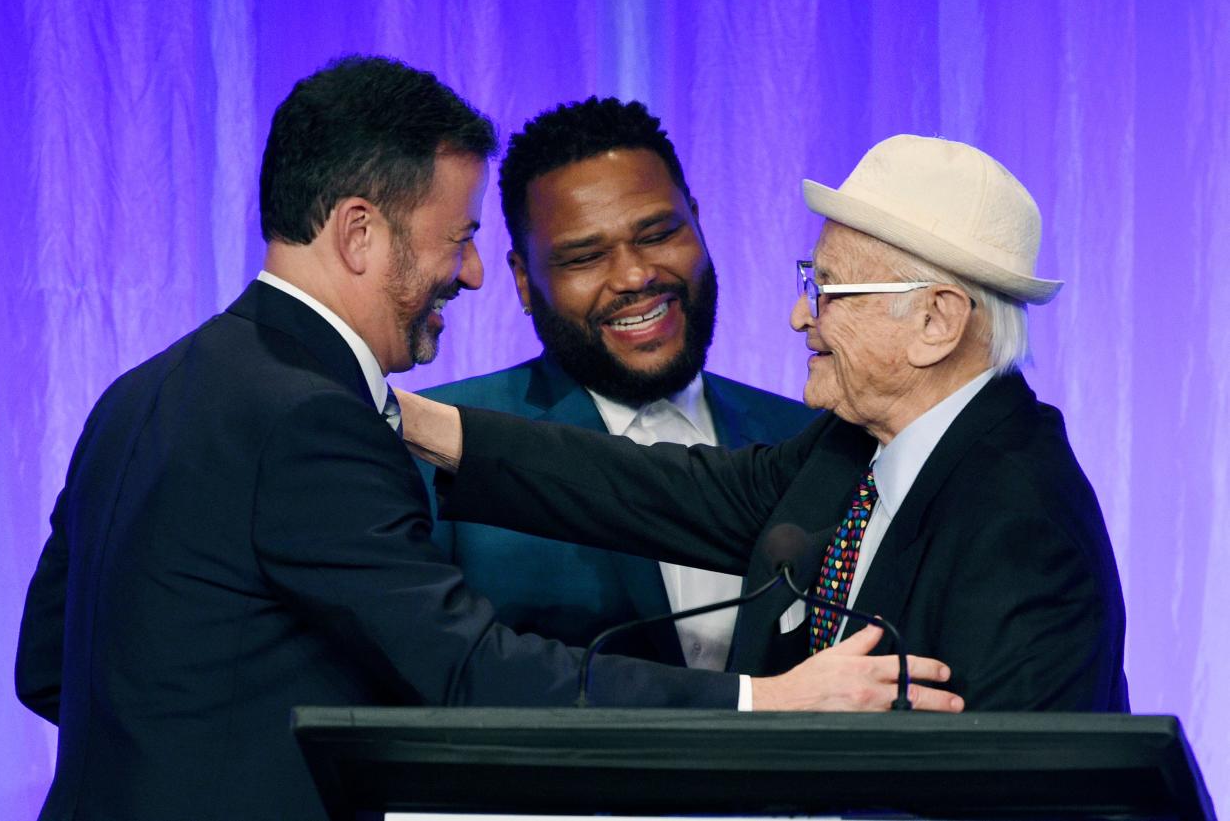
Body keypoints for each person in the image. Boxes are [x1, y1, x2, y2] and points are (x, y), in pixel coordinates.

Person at [15, 60, 961, 821]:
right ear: (358, 234)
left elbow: (51, 665)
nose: (467, 273)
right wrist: (768, 703)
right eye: (457, 236)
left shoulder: (140, 391)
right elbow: (467, 669)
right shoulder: (311, 415)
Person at [402, 134, 1130, 712]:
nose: (798, 315)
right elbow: (665, 490)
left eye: (829, 290)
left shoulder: (1020, 516)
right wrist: (409, 417)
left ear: (936, 321)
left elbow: (1009, 792)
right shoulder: (853, 450)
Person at [418, 97, 813, 670]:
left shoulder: (809, 439)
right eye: (585, 257)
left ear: (699, 224)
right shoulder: (443, 445)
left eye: (657, 234)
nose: (635, 276)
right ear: (524, 282)